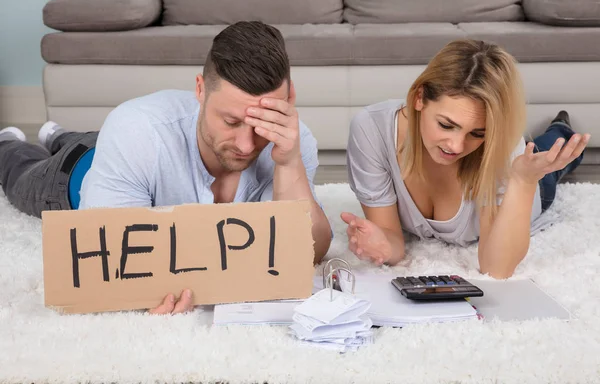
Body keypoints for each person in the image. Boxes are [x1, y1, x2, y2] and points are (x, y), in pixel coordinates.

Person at [0, 21, 332, 313]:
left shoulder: (293, 140)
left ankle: (56, 133)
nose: (246, 146)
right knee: (19, 172)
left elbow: (307, 252)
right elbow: (110, 265)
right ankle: (13, 143)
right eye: (231, 121)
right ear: (200, 90)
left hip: (123, 148)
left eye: (260, 125)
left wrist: (289, 163)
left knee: (80, 138)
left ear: (288, 100)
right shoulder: (136, 131)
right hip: (76, 172)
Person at [341, 39, 589, 279]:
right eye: (446, 125)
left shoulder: (502, 144)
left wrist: (524, 181)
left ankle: (560, 128)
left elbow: (497, 269)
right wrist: (382, 244)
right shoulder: (372, 129)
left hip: (525, 186)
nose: (457, 146)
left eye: (478, 133)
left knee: (551, 160)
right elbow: (392, 244)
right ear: (419, 98)